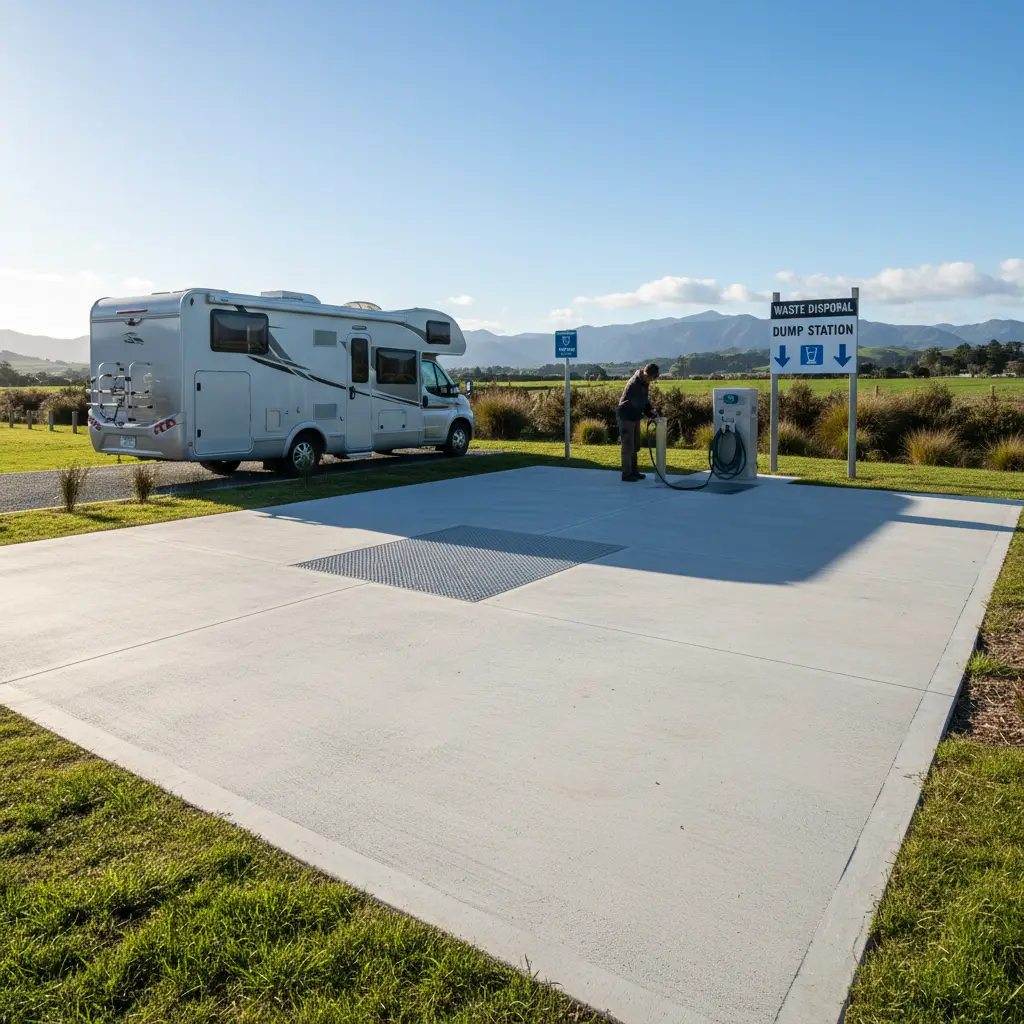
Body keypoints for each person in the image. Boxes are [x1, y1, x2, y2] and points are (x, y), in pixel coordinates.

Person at [616, 363, 659, 481]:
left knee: (635, 445)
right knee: (628, 446)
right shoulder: (635, 383)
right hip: (626, 415)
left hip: (634, 415)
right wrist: (650, 413)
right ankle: (626, 474)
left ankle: (634, 471)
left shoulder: (644, 382)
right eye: (652, 378)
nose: (652, 380)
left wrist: (651, 410)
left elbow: (644, 400)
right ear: (646, 374)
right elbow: (638, 402)